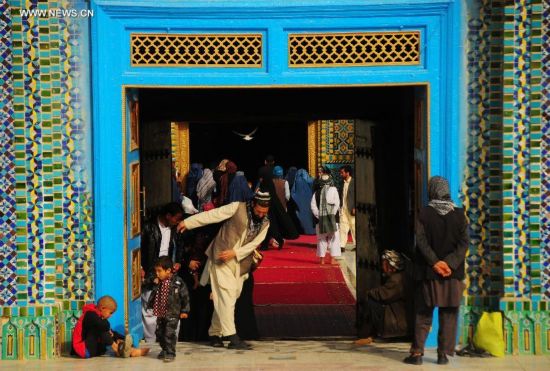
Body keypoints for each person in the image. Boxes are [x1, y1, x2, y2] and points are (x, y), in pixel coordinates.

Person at [176, 191, 271, 350]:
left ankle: (215, 333)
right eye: (259, 211)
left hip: (240, 262)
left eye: (264, 212)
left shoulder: (266, 222)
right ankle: (232, 336)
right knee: (226, 296)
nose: (261, 215)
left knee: (230, 297)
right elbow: (213, 215)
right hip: (220, 258)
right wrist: (189, 222)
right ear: (253, 204)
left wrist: (235, 253)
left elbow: (254, 243)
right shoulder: (237, 207)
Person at [404, 176, 468, 366]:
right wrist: (449, 264)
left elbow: (421, 242)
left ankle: (417, 353)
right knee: (449, 313)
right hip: (452, 274)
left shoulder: (424, 214)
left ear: (431, 191)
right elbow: (464, 243)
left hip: (429, 274)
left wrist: (435, 263)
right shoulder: (459, 215)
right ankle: (443, 354)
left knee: (423, 313)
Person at [140, 202, 185, 343]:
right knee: (150, 307)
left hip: (168, 271)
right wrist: (140, 267)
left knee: (171, 306)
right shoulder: (148, 227)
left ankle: (171, 340)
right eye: (176, 218)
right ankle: (151, 340)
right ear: (167, 216)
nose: (178, 221)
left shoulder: (175, 229)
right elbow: (139, 247)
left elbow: (179, 246)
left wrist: (177, 261)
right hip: (151, 271)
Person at [355, 250, 411, 346]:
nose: (382, 267)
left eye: (384, 264)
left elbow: (382, 294)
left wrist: (368, 293)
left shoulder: (397, 279)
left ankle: (370, 334)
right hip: (399, 318)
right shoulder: (399, 277)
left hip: (399, 323)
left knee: (371, 302)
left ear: (391, 266)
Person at [143, 256, 190, 362]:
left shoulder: (177, 283)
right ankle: (164, 349)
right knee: (160, 333)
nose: (157, 273)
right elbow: (146, 283)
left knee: (169, 333)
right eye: (156, 271)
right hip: (160, 312)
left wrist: (184, 310)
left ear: (168, 271)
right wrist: (152, 280)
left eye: (159, 271)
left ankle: (170, 352)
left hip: (172, 313)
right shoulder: (157, 281)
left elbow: (185, 296)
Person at [72, 296, 150, 358]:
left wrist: (116, 336)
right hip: (84, 349)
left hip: (94, 349)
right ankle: (119, 349)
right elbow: (104, 325)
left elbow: (106, 327)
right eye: (110, 313)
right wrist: (109, 332)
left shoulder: (98, 317)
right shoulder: (90, 314)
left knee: (110, 332)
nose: (111, 315)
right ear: (102, 308)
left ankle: (125, 344)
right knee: (103, 330)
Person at [311, 173, 341, 264]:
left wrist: (319, 216)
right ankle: (332, 259)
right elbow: (337, 204)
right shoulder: (334, 190)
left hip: (320, 220)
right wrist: (331, 214)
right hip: (333, 219)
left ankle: (322, 260)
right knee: (334, 238)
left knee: (321, 239)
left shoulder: (316, 193)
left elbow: (313, 206)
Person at [292, 168, 316, 235]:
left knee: (302, 217)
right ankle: (311, 230)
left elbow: (293, 192)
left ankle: (304, 230)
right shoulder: (310, 181)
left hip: (299, 203)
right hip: (309, 201)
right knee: (310, 216)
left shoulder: (297, 180)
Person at [339, 165, 356, 252]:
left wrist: (355, 207)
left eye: (342, 172)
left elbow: (358, 195)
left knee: (353, 226)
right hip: (344, 208)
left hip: (351, 209)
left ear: (347, 173)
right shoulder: (342, 183)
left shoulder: (354, 182)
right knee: (343, 226)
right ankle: (342, 245)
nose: (341, 174)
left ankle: (357, 244)